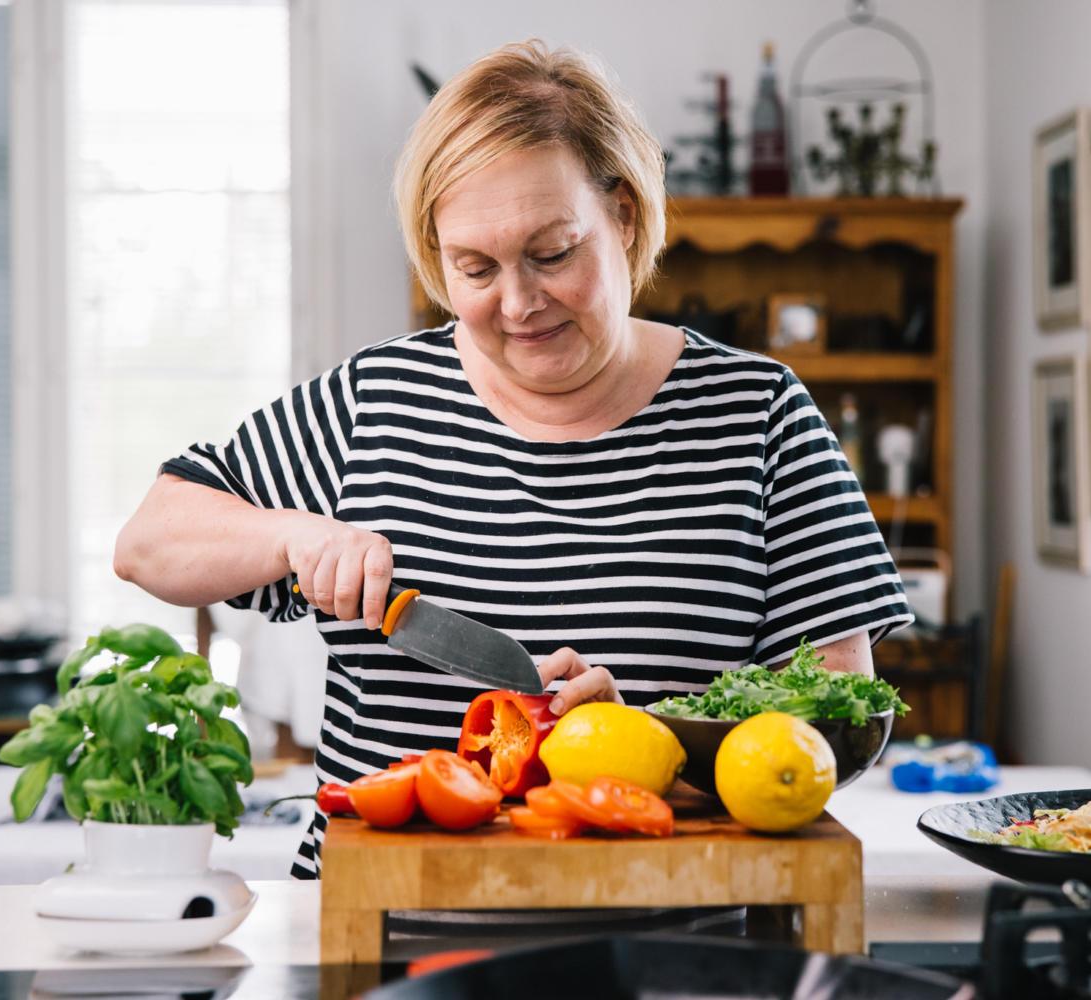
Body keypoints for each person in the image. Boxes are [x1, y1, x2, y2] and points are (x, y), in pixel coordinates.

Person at [113, 39, 913, 881]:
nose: (520, 302)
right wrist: (292, 538)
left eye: (554, 252)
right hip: (387, 936)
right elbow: (149, 543)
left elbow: (835, 727)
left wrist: (652, 749)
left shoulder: (757, 417)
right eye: (475, 267)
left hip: (669, 937)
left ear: (626, 215)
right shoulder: (372, 402)